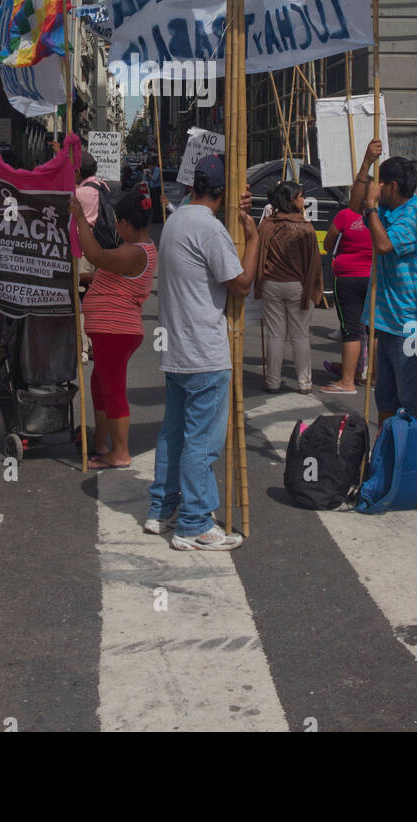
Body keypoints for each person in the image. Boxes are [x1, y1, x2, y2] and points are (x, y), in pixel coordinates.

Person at [146, 155, 258, 550]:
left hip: (177, 348)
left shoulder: (177, 218)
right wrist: (253, 237)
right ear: (222, 193)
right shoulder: (209, 230)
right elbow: (240, 284)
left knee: (174, 433)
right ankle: (193, 523)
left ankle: (162, 508)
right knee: (202, 440)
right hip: (204, 352)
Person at [349, 141, 417, 480]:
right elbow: (354, 203)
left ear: (393, 187)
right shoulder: (384, 208)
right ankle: (388, 457)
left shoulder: (414, 214)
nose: (375, 189)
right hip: (385, 318)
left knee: (413, 399)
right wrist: (366, 163)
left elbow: (384, 245)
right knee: (384, 396)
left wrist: (371, 209)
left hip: (412, 321)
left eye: (379, 182)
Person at [69, 188, 157, 469]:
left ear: (128, 224)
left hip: (115, 329)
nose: (116, 227)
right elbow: (108, 270)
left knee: (113, 389)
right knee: (101, 385)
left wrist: (80, 217)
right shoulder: (137, 250)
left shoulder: (135, 251)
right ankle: (102, 443)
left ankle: (120, 452)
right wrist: (87, 277)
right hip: (113, 329)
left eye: (118, 222)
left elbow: (94, 255)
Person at [254, 180, 322, 394]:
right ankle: (304, 382)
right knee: (300, 335)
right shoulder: (305, 227)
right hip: (297, 286)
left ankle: (272, 381)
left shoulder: (267, 224)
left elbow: (257, 253)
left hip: (271, 284)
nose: (303, 200)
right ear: (291, 200)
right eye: (300, 196)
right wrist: (314, 288)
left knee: (275, 335)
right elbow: (314, 264)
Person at [319, 201, 373, 394]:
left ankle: (348, 380)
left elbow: (327, 243)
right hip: (373, 278)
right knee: (373, 329)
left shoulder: (346, 215)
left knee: (350, 329)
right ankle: (373, 377)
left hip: (348, 277)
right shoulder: (382, 215)